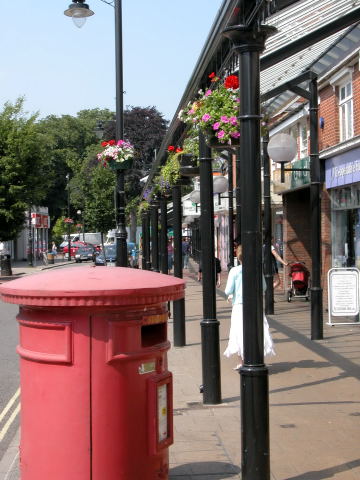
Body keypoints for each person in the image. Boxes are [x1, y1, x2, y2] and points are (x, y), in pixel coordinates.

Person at [223, 245, 275, 370]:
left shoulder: (234, 271)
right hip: (255, 306)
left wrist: (232, 294)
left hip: (239, 306)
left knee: (239, 332)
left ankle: (242, 361)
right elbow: (264, 287)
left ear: (238, 256)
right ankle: (258, 359)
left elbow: (228, 290)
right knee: (257, 331)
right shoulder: (257, 270)